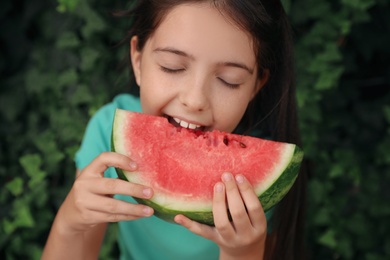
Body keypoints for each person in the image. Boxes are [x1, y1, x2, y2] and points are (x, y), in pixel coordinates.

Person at [42, 0, 307, 259]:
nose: (195, 100)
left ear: (255, 86)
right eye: (173, 66)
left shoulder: (258, 180)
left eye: (230, 81)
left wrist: (244, 252)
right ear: (137, 60)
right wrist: (70, 222)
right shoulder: (107, 131)